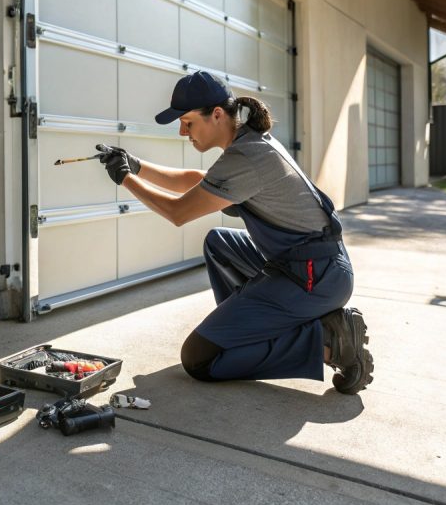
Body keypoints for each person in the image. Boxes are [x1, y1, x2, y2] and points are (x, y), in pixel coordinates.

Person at [96, 70, 373, 394]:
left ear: (216, 115)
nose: (182, 131)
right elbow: (195, 179)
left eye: (187, 122)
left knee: (200, 358)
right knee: (219, 242)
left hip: (316, 277)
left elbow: (178, 212)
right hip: (305, 265)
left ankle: (330, 343)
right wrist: (136, 164)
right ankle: (246, 332)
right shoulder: (249, 143)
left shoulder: (248, 157)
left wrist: (125, 179)